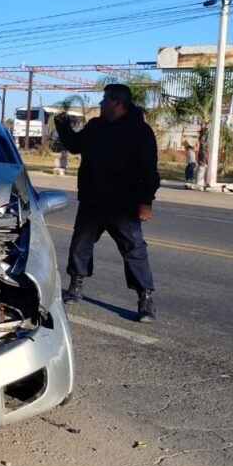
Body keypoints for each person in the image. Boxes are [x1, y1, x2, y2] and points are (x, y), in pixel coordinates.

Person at [54, 84, 161, 322]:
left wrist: (146, 201)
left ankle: (145, 299)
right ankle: (76, 286)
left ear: (117, 103)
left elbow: (149, 171)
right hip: (92, 200)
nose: (100, 104)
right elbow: (75, 145)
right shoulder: (96, 126)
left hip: (124, 205)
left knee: (134, 250)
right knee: (80, 245)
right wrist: (62, 125)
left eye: (104, 100)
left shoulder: (140, 131)